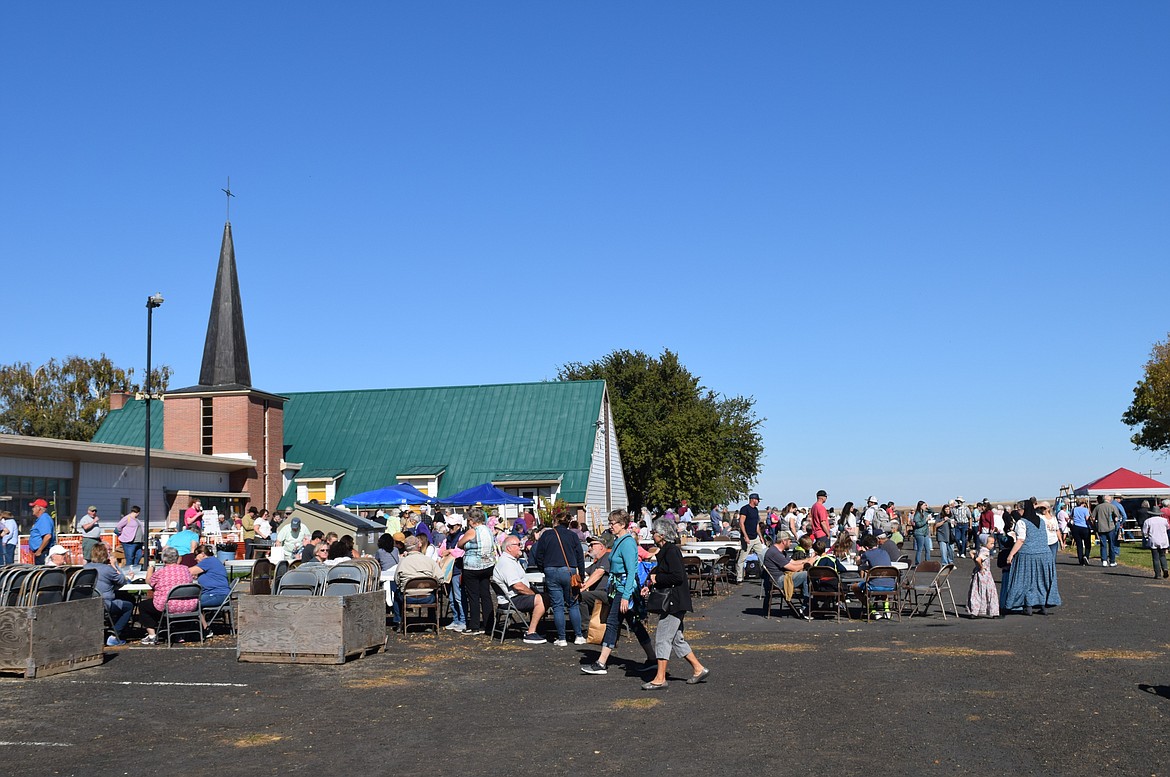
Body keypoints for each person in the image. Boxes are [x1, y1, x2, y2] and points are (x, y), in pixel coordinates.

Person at [582, 510, 654, 676]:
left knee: (613, 623)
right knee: (634, 624)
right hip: (618, 590)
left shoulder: (627, 543)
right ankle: (652, 658)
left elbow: (631, 571)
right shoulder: (618, 541)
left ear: (622, 525)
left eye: (612, 523)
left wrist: (626, 596)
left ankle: (601, 663)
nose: (610, 526)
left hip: (624, 590)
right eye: (609, 522)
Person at [640, 518, 709, 690]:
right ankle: (698, 669)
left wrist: (658, 579)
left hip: (674, 601)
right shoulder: (667, 550)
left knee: (663, 638)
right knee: (677, 639)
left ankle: (660, 677)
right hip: (675, 600)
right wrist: (652, 582)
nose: (652, 535)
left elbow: (678, 576)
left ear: (662, 535)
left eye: (654, 532)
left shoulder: (671, 551)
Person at [533, 511, 587, 646]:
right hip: (569, 571)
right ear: (568, 523)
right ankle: (578, 636)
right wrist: (581, 573)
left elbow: (539, 555)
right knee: (573, 604)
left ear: (555, 521)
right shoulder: (573, 536)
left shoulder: (546, 535)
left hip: (550, 569)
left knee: (557, 606)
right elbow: (580, 555)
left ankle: (561, 638)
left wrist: (543, 568)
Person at [1000, 501, 1061, 615]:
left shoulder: (1022, 522)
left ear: (1024, 510)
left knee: (1025, 581)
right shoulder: (1042, 521)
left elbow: (1021, 540)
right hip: (1044, 554)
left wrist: (1011, 554)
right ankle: (1042, 605)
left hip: (1027, 554)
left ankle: (1027, 606)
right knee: (1041, 580)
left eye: (1019, 509)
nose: (1018, 512)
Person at [492, 535, 548, 644]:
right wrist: (533, 594)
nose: (521, 547)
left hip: (514, 597)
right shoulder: (506, 563)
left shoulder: (512, 560)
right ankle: (530, 633)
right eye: (518, 545)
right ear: (509, 548)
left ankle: (537, 628)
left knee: (545, 596)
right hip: (511, 600)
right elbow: (517, 586)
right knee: (540, 599)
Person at [138, 546, 197, 645]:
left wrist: (150, 568)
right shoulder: (186, 569)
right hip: (189, 604)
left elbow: (149, 582)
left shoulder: (161, 572)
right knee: (176, 603)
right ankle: (179, 633)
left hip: (168, 606)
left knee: (143, 606)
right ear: (177, 557)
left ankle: (152, 635)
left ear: (164, 559)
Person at [456, 508, 495, 636]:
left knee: (473, 596)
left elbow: (459, 544)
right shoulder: (488, 530)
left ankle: (474, 625)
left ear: (472, 521)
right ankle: (489, 624)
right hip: (487, 564)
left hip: (473, 566)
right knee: (486, 595)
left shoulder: (472, 531)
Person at [85, 542, 134, 645]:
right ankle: (115, 635)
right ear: (104, 555)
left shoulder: (85, 567)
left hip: (88, 602)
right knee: (129, 606)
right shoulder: (107, 569)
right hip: (105, 603)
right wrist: (114, 565)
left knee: (125, 597)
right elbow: (122, 580)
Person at [762, 533, 811, 612]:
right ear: (783, 541)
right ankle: (806, 607)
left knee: (805, 575)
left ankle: (808, 603)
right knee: (806, 575)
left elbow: (794, 562)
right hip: (778, 581)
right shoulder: (774, 553)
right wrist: (807, 564)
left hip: (780, 577)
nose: (791, 543)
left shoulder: (780, 551)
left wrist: (808, 560)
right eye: (789, 541)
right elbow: (793, 568)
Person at [189, 544, 231, 612]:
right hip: (217, 594)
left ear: (202, 554)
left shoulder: (208, 560)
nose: (195, 558)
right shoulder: (212, 561)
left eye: (196, 555)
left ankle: (191, 621)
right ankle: (202, 622)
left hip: (217, 595)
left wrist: (176, 570)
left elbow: (190, 571)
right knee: (191, 601)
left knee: (188, 603)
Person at [735, 493, 766, 584]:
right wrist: (745, 536)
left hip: (755, 538)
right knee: (742, 558)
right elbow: (741, 523)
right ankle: (739, 578)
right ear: (753, 499)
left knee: (762, 555)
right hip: (747, 538)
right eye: (757, 500)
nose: (758, 501)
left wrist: (760, 536)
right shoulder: (745, 509)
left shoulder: (756, 510)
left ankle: (765, 574)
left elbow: (756, 524)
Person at [967, 535, 1000, 618]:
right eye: (991, 543)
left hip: (977, 574)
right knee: (990, 592)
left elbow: (972, 554)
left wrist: (976, 563)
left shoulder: (980, 550)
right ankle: (994, 612)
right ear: (985, 543)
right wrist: (981, 567)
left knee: (976, 592)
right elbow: (978, 559)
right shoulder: (985, 551)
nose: (993, 545)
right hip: (985, 574)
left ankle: (974, 611)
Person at [1142, 503, 1170, 579]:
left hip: (1153, 539)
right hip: (1163, 540)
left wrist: (1146, 537)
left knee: (1155, 557)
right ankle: (1165, 568)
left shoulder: (1148, 521)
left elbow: (1145, 531)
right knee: (1162, 555)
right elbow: (1168, 528)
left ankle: (1157, 574)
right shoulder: (1164, 520)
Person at [1092, 495, 1121, 567]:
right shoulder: (1112, 507)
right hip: (1110, 527)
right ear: (1109, 500)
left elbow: (1092, 517)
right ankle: (1112, 561)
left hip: (1101, 528)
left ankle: (1104, 560)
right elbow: (1117, 517)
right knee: (1111, 544)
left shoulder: (1098, 507)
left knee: (1103, 545)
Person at [27, 498, 55, 565]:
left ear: (39, 508)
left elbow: (48, 536)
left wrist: (39, 550)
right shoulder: (41, 519)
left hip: (43, 552)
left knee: (41, 572)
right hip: (41, 552)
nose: (32, 509)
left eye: (34, 507)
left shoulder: (44, 519)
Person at [1070, 498, 1092, 565]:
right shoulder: (1085, 510)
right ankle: (1086, 556)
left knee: (1079, 544)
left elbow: (1071, 517)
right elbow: (1087, 518)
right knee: (1087, 543)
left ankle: (1080, 560)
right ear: (1084, 503)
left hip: (1076, 527)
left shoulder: (1074, 509)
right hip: (1084, 527)